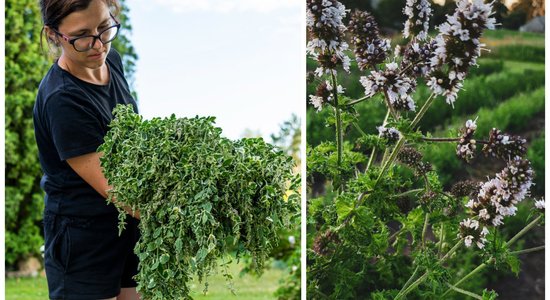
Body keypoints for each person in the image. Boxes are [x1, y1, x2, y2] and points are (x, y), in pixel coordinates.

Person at [33, 0, 141, 299]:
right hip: (83, 237)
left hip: (126, 226)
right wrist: (192, 211)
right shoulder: (62, 100)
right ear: (54, 35)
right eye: (82, 35)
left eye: (105, 28)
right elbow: (120, 189)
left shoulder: (111, 61)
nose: (98, 45)